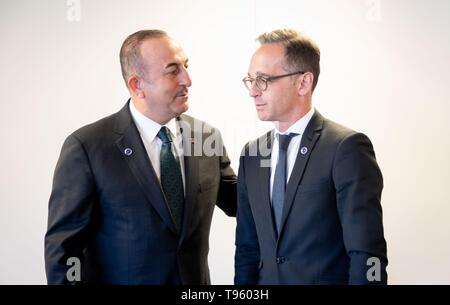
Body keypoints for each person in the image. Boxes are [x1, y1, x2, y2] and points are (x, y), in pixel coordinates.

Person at [45, 29, 237, 285]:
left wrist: (284, 151)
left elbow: (242, 203)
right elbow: (64, 251)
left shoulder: (206, 138)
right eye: (173, 70)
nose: (187, 79)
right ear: (137, 85)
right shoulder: (87, 147)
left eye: (186, 66)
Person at [234, 29, 387, 285]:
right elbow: (247, 249)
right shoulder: (252, 154)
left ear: (303, 82)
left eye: (263, 80)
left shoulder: (345, 148)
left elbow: (366, 252)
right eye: (250, 80)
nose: (253, 91)